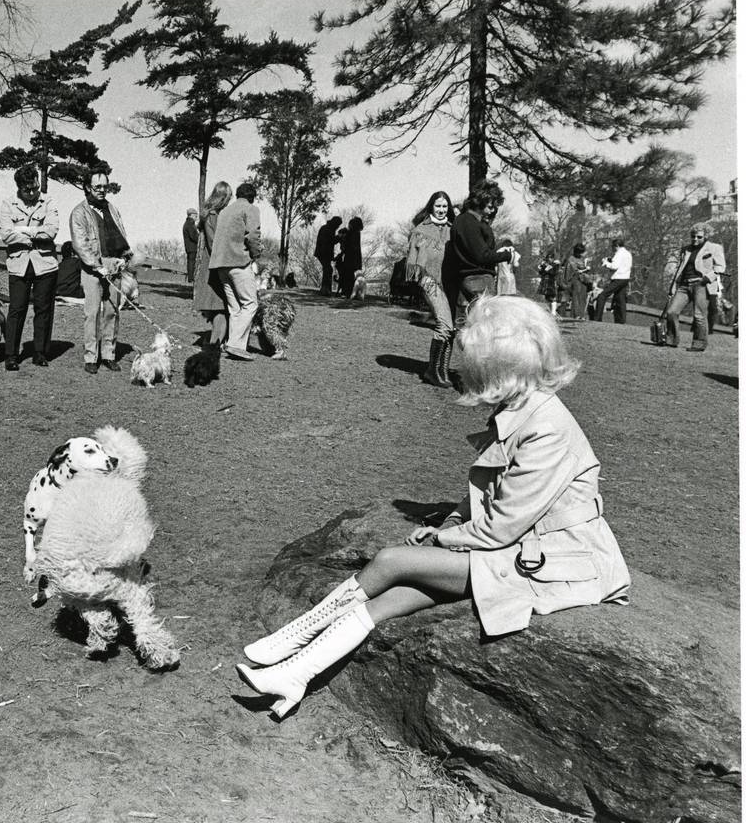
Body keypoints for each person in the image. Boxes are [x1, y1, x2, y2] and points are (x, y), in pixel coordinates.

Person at [237, 294, 631, 719]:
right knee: (398, 597)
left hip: (553, 562)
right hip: (521, 550)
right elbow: (494, 494)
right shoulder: (523, 411)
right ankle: (294, 672)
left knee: (392, 561)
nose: (467, 371)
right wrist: (455, 519)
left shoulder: (545, 429)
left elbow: (501, 528)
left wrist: (443, 536)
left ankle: (289, 641)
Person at [0, 164, 60, 371]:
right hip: (19, 264)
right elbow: (6, 234)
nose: (32, 193)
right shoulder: (8, 204)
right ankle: (11, 355)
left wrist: (22, 230)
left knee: (44, 310)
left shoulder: (48, 201)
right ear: (19, 188)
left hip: (45, 265)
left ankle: (40, 353)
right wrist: (35, 232)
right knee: (17, 309)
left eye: (35, 188)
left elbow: (51, 231)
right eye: (27, 190)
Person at [70, 169, 131, 374]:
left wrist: (124, 258)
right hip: (93, 268)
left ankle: (109, 354)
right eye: (98, 187)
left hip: (114, 265)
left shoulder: (112, 209)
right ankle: (91, 356)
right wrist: (97, 266)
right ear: (88, 187)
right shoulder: (79, 212)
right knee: (93, 312)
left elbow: (121, 234)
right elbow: (81, 244)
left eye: (105, 186)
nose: (102, 190)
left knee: (112, 311)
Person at [209, 182, 265, 361]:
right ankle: (234, 344)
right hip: (238, 262)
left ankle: (237, 346)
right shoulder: (250, 209)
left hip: (220, 264)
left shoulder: (225, 211)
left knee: (235, 307)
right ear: (252, 196)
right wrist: (256, 255)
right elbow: (253, 235)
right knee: (251, 304)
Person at [404, 191, 455, 387]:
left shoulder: (453, 229)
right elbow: (414, 262)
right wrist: (421, 280)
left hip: (449, 283)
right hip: (429, 281)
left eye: (444, 206)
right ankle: (432, 371)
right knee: (444, 324)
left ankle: (443, 371)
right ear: (431, 207)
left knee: (452, 328)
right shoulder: (421, 230)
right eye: (438, 206)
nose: (441, 210)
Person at [449, 181, 512, 326]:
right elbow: (481, 256)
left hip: (472, 279)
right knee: (482, 329)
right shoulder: (468, 223)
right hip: (477, 280)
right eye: (490, 206)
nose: (492, 211)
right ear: (480, 201)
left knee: (470, 328)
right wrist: (507, 255)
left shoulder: (468, 222)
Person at [661, 224, 725, 352]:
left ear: (705, 236)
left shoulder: (714, 248)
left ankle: (699, 343)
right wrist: (673, 286)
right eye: (693, 236)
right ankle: (671, 339)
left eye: (699, 237)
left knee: (699, 316)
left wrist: (706, 279)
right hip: (684, 285)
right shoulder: (686, 249)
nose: (695, 239)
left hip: (701, 284)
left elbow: (720, 267)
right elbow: (679, 269)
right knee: (671, 312)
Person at [193, 181, 232, 346]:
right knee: (219, 307)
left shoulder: (209, 215)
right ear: (222, 197)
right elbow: (214, 242)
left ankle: (216, 342)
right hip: (214, 267)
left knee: (219, 307)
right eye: (228, 197)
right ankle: (214, 344)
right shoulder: (212, 216)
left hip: (210, 265)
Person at [593, 238, 631, 324]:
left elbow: (614, 266)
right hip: (625, 278)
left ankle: (597, 318)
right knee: (621, 300)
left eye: (613, 247)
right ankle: (621, 321)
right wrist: (611, 260)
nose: (612, 249)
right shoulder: (628, 254)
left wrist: (605, 263)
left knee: (602, 296)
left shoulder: (619, 253)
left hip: (618, 278)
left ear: (616, 246)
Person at [336, 216, 364, 298]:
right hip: (356, 257)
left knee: (348, 274)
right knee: (353, 274)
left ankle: (347, 292)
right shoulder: (357, 233)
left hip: (350, 257)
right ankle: (353, 292)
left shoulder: (352, 233)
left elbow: (347, 244)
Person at [313, 216, 341, 295]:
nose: (338, 227)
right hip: (323, 253)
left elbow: (330, 241)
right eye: (338, 225)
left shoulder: (326, 228)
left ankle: (325, 289)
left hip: (322, 252)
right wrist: (339, 237)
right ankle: (325, 290)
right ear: (335, 224)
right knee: (328, 270)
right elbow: (330, 241)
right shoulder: (329, 229)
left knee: (328, 270)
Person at [565, 243, 591, 320]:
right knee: (576, 297)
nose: (580, 254)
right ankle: (576, 315)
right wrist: (585, 269)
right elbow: (575, 270)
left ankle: (582, 315)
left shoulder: (582, 258)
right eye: (579, 252)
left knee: (583, 297)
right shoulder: (571, 258)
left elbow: (584, 268)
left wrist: (587, 266)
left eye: (581, 252)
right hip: (576, 279)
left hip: (584, 280)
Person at [182, 207, 200, 284]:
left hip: (189, 247)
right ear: (191, 215)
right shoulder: (190, 224)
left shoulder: (187, 223)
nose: (196, 217)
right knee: (192, 262)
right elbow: (193, 236)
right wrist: (200, 239)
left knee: (190, 261)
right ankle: (191, 277)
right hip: (192, 247)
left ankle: (190, 277)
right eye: (195, 216)